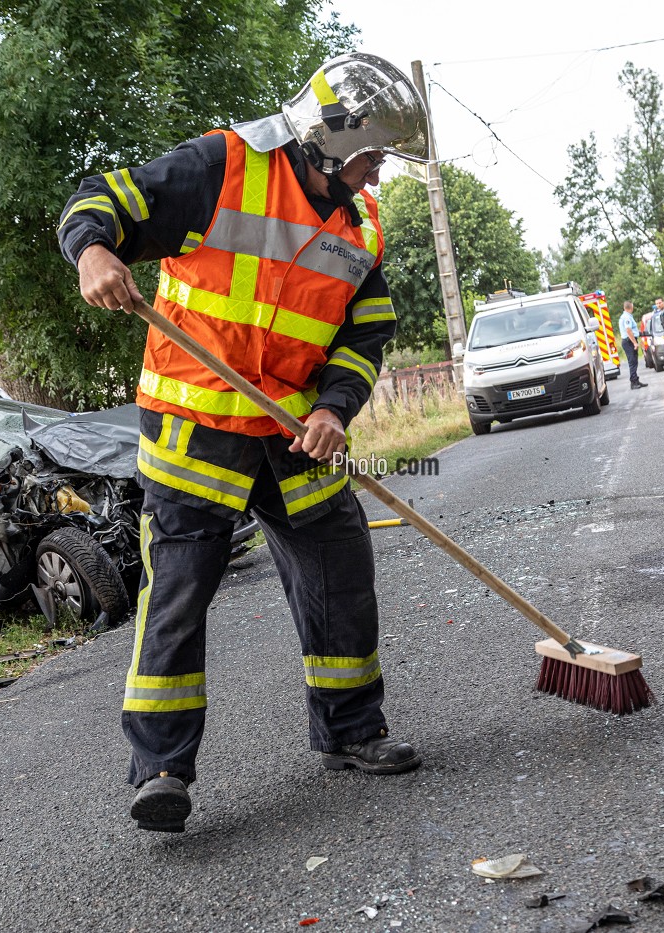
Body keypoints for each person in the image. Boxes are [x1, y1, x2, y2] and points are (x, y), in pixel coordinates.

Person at [58, 52, 429, 833]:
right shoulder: (221, 166)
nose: (374, 173)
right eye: (371, 155)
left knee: (339, 566)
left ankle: (352, 731)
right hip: (197, 428)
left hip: (294, 430)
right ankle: (160, 769)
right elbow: (103, 201)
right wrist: (93, 250)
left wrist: (336, 406)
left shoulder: (359, 231)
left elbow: (366, 333)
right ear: (331, 136)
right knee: (180, 592)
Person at [618, 301, 646, 389]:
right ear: (631, 307)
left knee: (634, 362)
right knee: (632, 362)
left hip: (629, 341)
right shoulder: (627, 317)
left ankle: (636, 380)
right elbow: (628, 330)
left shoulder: (626, 316)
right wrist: (635, 343)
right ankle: (633, 382)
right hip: (629, 341)